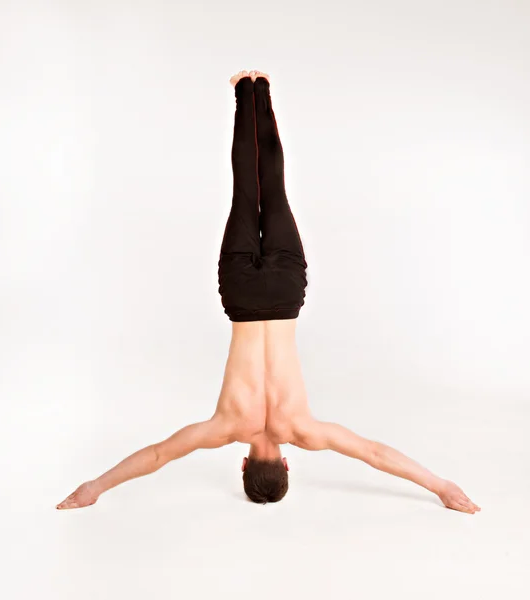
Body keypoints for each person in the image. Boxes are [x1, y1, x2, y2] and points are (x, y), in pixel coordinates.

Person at [57, 70, 480, 513]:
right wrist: (94, 487)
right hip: (241, 295)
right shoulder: (224, 427)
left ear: (286, 466)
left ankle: (263, 89)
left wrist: (442, 486)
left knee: (274, 189)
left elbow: (374, 453)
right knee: (246, 190)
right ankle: (246, 91)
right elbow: (161, 454)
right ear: (243, 465)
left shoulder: (304, 430)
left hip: (283, 292)